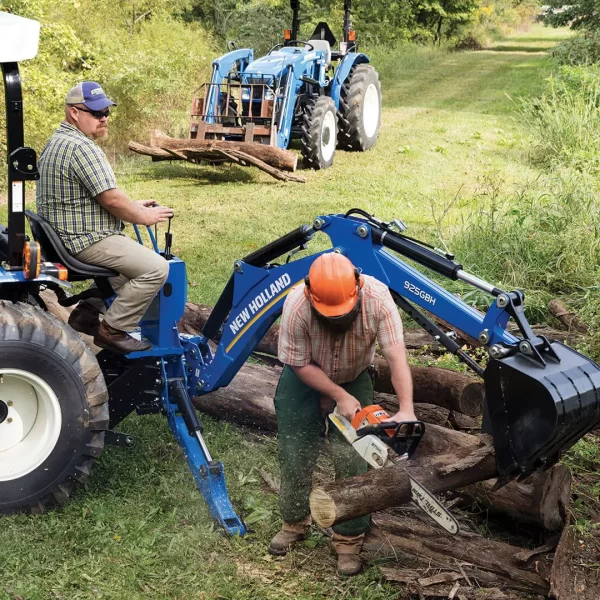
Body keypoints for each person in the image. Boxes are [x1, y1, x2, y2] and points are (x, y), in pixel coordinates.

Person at [269, 252, 415, 576]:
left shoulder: (378, 299)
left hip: (355, 373)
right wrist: (336, 395)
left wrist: (406, 409)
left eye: (343, 314)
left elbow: (396, 358)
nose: (337, 320)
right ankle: (294, 522)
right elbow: (298, 362)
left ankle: (348, 539)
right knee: (295, 450)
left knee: (352, 457)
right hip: (304, 374)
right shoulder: (296, 304)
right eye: (330, 315)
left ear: (358, 288)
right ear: (310, 294)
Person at [36, 81, 174, 354]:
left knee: (128, 270)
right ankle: (113, 330)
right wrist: (144, 215)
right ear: (74, 112)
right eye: (96, 114)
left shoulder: (57, 141)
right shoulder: (81, 148)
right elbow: (110, 199)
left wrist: (132, 205)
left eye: (106, 113)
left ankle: (86, 313)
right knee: (156, 269)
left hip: (66, 233)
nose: (104, 120)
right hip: (84, 239)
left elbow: (80, 198)